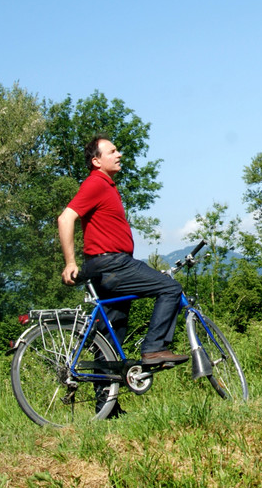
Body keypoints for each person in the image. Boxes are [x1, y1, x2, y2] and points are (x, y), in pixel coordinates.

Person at [58, 134, 189, 368]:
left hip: (105, 266)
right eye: (112, 152)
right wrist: (70, 262)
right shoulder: (96, 183)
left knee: (110, 335)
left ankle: (107, 404)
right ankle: (154, 348)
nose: (119, 155)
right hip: (113, 265)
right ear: (97, 161)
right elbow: (66, 218)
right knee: (170, 288)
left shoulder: (106, 185)